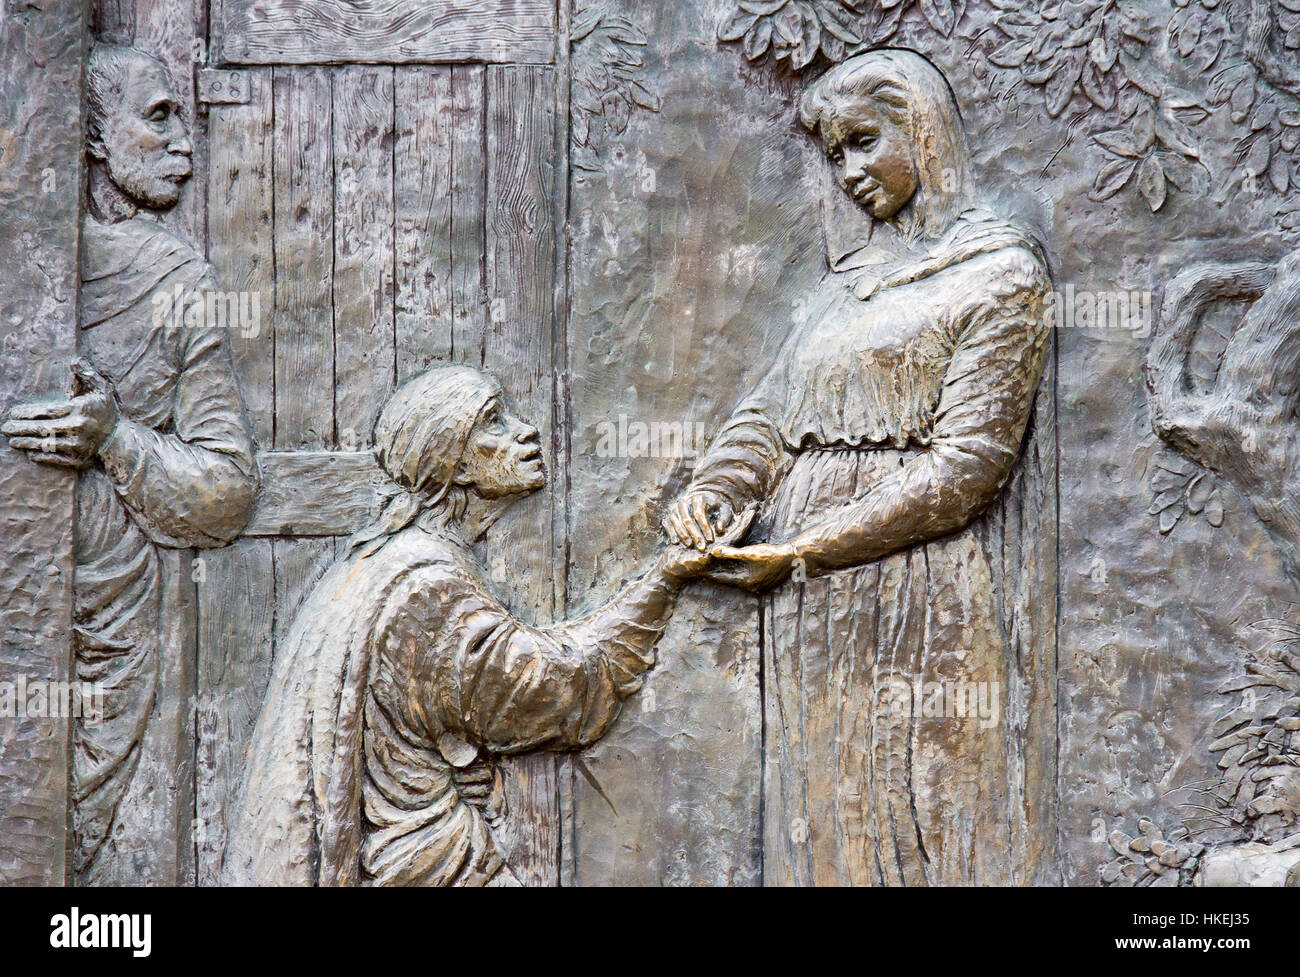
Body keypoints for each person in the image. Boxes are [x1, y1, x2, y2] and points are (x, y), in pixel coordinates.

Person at [664, 49, 1053, 885]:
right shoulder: (845, 289)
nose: (847, 173)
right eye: (834, 154)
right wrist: (712, 492)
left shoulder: (1000, 274)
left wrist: (806, 548)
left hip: (913, 588)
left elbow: (967, 469)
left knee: (916, 807)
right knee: (825, 806)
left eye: (865, 142)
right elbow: (770, 415)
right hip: (813, 603)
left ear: (922, 128)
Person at [223, 366, 744, 886]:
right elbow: (556, 689)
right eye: (494, 421)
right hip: (422, 864)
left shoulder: (392, 560)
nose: (525, 431)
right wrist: (665, 578)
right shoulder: (426, 591)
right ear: (455, 462)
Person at [1, 42, 258, 881]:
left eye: (183, 113)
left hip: (117, 630)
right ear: (93, 139)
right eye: (158, 117)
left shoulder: (184, 281)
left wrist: (115, 438)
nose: (187, 139)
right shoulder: (21, 266)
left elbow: (227, 491)